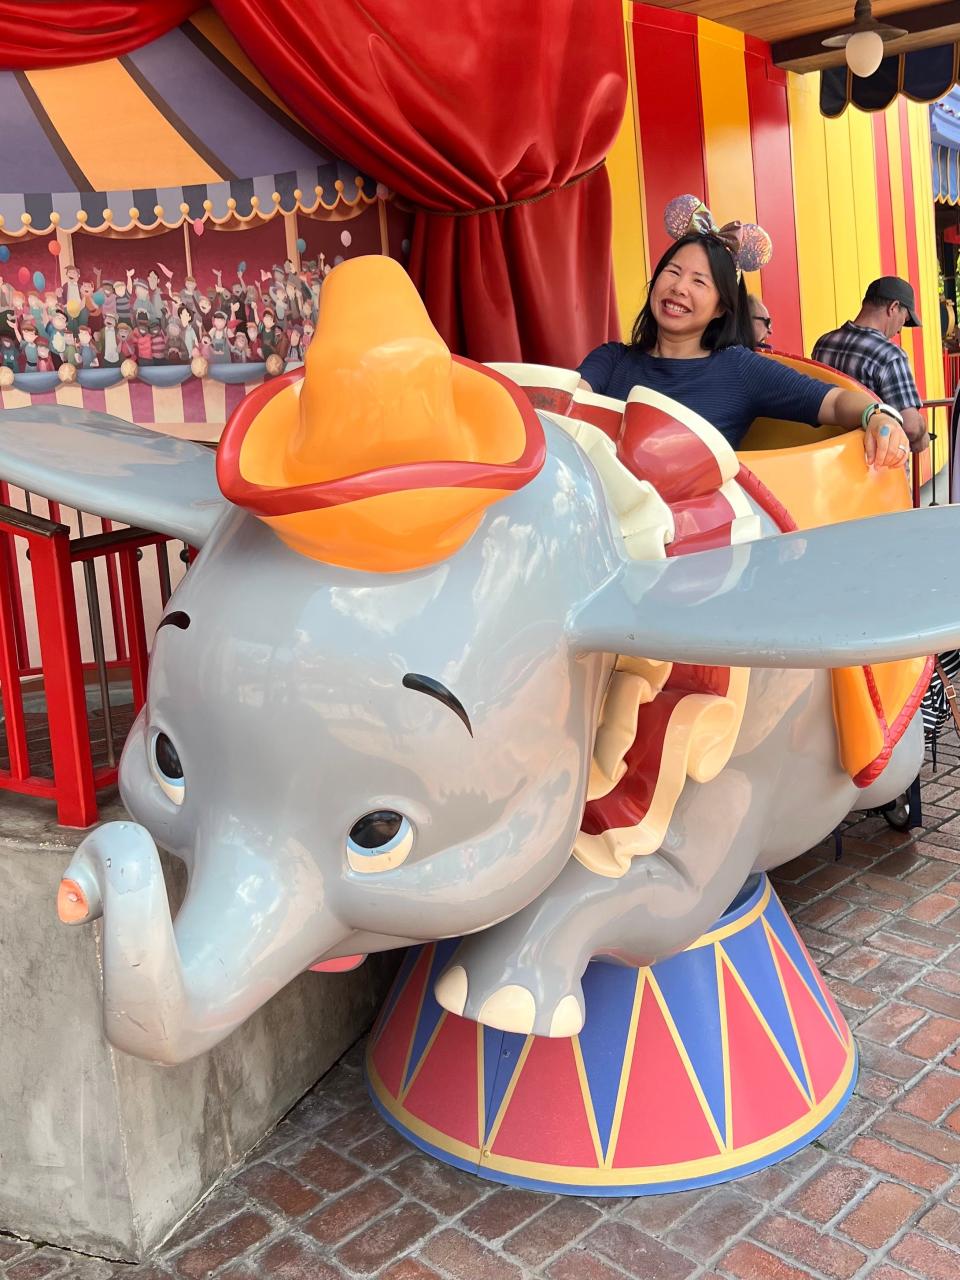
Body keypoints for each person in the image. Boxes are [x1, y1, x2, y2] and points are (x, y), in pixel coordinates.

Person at [577, 195, 910, 469]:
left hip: (699, 540)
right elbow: (565, 399)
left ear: (722, 306)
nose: (679, 288)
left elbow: (835, 401)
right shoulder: (611, 360)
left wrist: (878, 415)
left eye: (699, 282)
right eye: (673, 272)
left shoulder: (740, 369)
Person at [812, 277, 928, 453]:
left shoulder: (823, 343)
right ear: (893, 307)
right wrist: (922, 435)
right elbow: (910, 426)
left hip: (827, 460)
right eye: (903, 320)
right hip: (873, 466)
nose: (899, 330)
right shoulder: (890, 355)